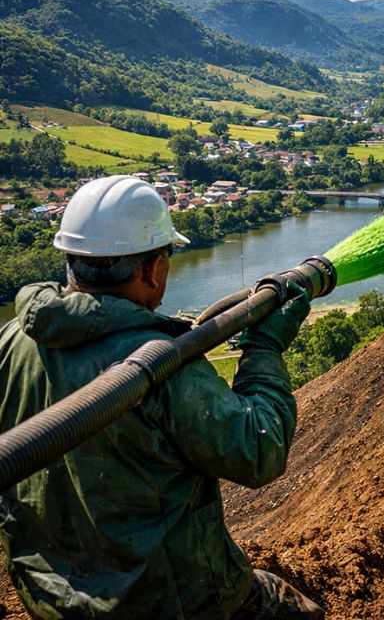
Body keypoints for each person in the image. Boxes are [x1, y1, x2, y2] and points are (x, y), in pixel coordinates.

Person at [0, 175, 323, 619]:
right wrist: (264, 348)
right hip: (171, 604)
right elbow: (259, 451)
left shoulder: (10, 340)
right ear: (152, 269)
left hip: (54, 601)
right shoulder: (161, 366)